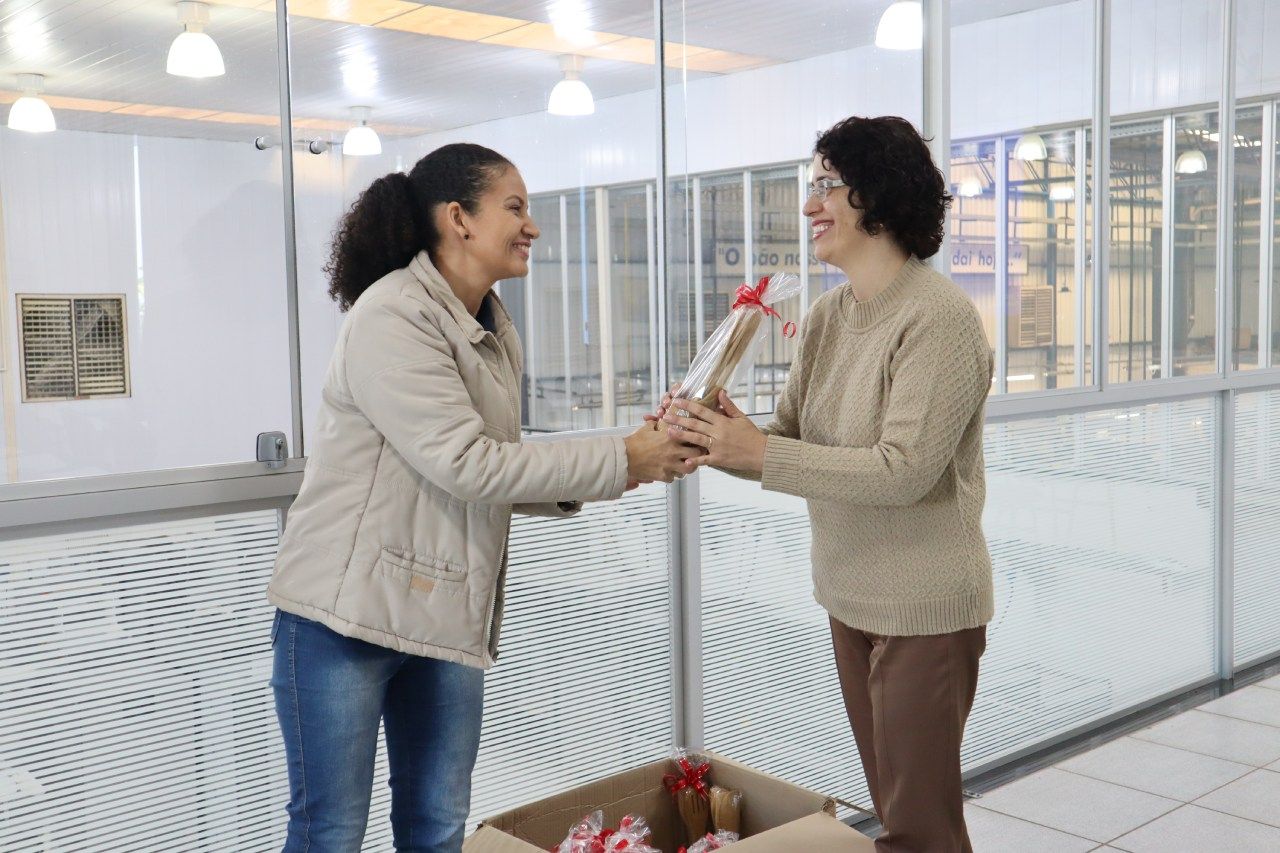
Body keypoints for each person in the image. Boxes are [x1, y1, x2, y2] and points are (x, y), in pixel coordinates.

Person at [266, 143, 695, 853]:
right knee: (329, 832)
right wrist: (622, 457)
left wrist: (636, 463)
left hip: (439, 612)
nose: (532, 226)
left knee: (437, 828)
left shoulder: (492, 327)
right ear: (458, 218)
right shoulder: (393, 316)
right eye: (516, 207)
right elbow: (467, 464)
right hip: (338, 621)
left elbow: (486, 470)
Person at [658, 116, 994, 853]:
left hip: (923, 610)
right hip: (850, 595)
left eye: (825, 186)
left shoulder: (938, 320)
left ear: (877, 195)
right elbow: (790, 438)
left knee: (919, 828)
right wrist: (718, 432)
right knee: (894, 805)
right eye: (809, 187)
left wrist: (757, 452)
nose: (810, 205)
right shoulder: (824, 317)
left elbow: (903, 470)